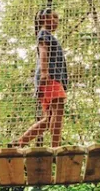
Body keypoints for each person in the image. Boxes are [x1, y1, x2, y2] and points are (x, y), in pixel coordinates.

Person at [10, 8, 68, 148]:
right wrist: (44, 72)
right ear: (42, 19)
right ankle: (56, 148)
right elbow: (43, 52)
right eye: (51, 17)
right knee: (58, 110)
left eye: (56, 18)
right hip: (49, 76)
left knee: (49, 119)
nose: (55, 21)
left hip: (50, 78)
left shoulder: (47, 35)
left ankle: (20, 142)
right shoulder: (44, 34)